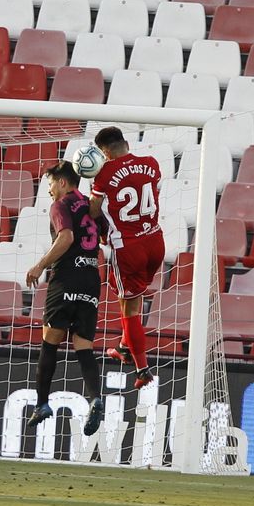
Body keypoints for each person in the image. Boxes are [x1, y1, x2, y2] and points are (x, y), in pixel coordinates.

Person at [25, 161, 106, 438]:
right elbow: (103, 232)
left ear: (62, 182)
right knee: (83, 345)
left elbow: (66, 237)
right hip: (92, 278)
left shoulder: (61, 205)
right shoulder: (90, 205)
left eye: (49, 184)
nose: (48, 190)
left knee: (50, 340)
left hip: (66, 277)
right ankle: (95, 397)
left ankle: (42, 403)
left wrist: (39, 265)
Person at [88, 126, 165, 389]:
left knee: (129, 307)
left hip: (128, 247)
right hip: (155, 241)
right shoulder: (152, 164)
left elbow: (93, 211)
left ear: (105, 152)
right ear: (126, 143)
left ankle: (142, 369)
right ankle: (123, 345)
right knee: (132, 297)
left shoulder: (104, 173)